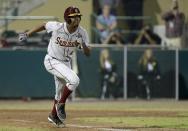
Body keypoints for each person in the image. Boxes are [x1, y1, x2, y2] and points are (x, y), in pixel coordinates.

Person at [18, 6, 91, 127]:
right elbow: (44, 25)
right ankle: (61, 104)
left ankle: (53, 115)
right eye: (74, 17)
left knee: (59, 92)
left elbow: (88, 54)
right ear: (67, 18)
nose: (77, 19)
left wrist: (83, 44)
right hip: (52, 60)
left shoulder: (82, 33)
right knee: (74, 80)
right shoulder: (57, 26)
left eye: (78, 17)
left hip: (66, 63)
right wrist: (27, 34)